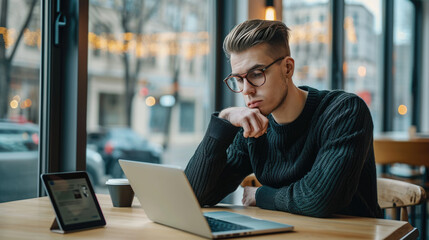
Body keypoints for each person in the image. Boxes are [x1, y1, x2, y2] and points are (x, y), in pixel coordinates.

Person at [184, 19, 382, 218]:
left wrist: (260, 195)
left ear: (287, 68)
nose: (246, 90)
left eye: (256, 74)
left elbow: (318, 199)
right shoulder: (254, 127)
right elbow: (194, 196)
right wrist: (223, 120)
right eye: (238, 79)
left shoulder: (344, 111)